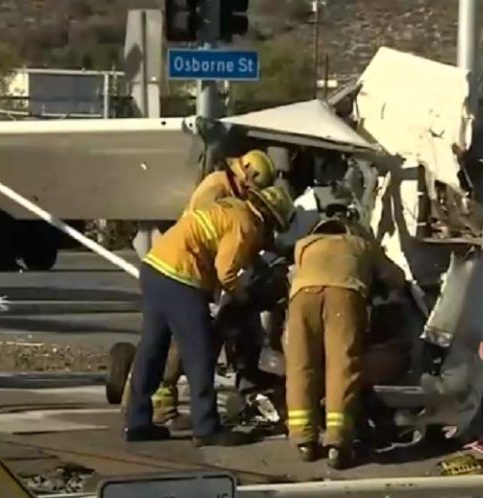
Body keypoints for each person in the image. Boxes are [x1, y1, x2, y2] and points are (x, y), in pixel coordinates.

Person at [125, 185, 296, 447]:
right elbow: (226, 270)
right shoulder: (247, 224)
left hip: (154, 268)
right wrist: (241, 297)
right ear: (271, 218)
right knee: (200, 353)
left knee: (152, 348)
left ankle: (137, 423)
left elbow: (228, 249)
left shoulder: (231, 207)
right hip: (181, 277)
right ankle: (206, 428)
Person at [284, 208, 406, 469]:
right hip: (344, 296)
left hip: (302, 299)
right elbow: (395, 278)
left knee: (300, 365)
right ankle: (337, 442)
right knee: (341, 366)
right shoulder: (360, 244)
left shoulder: (303, 245)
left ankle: (303, 440)